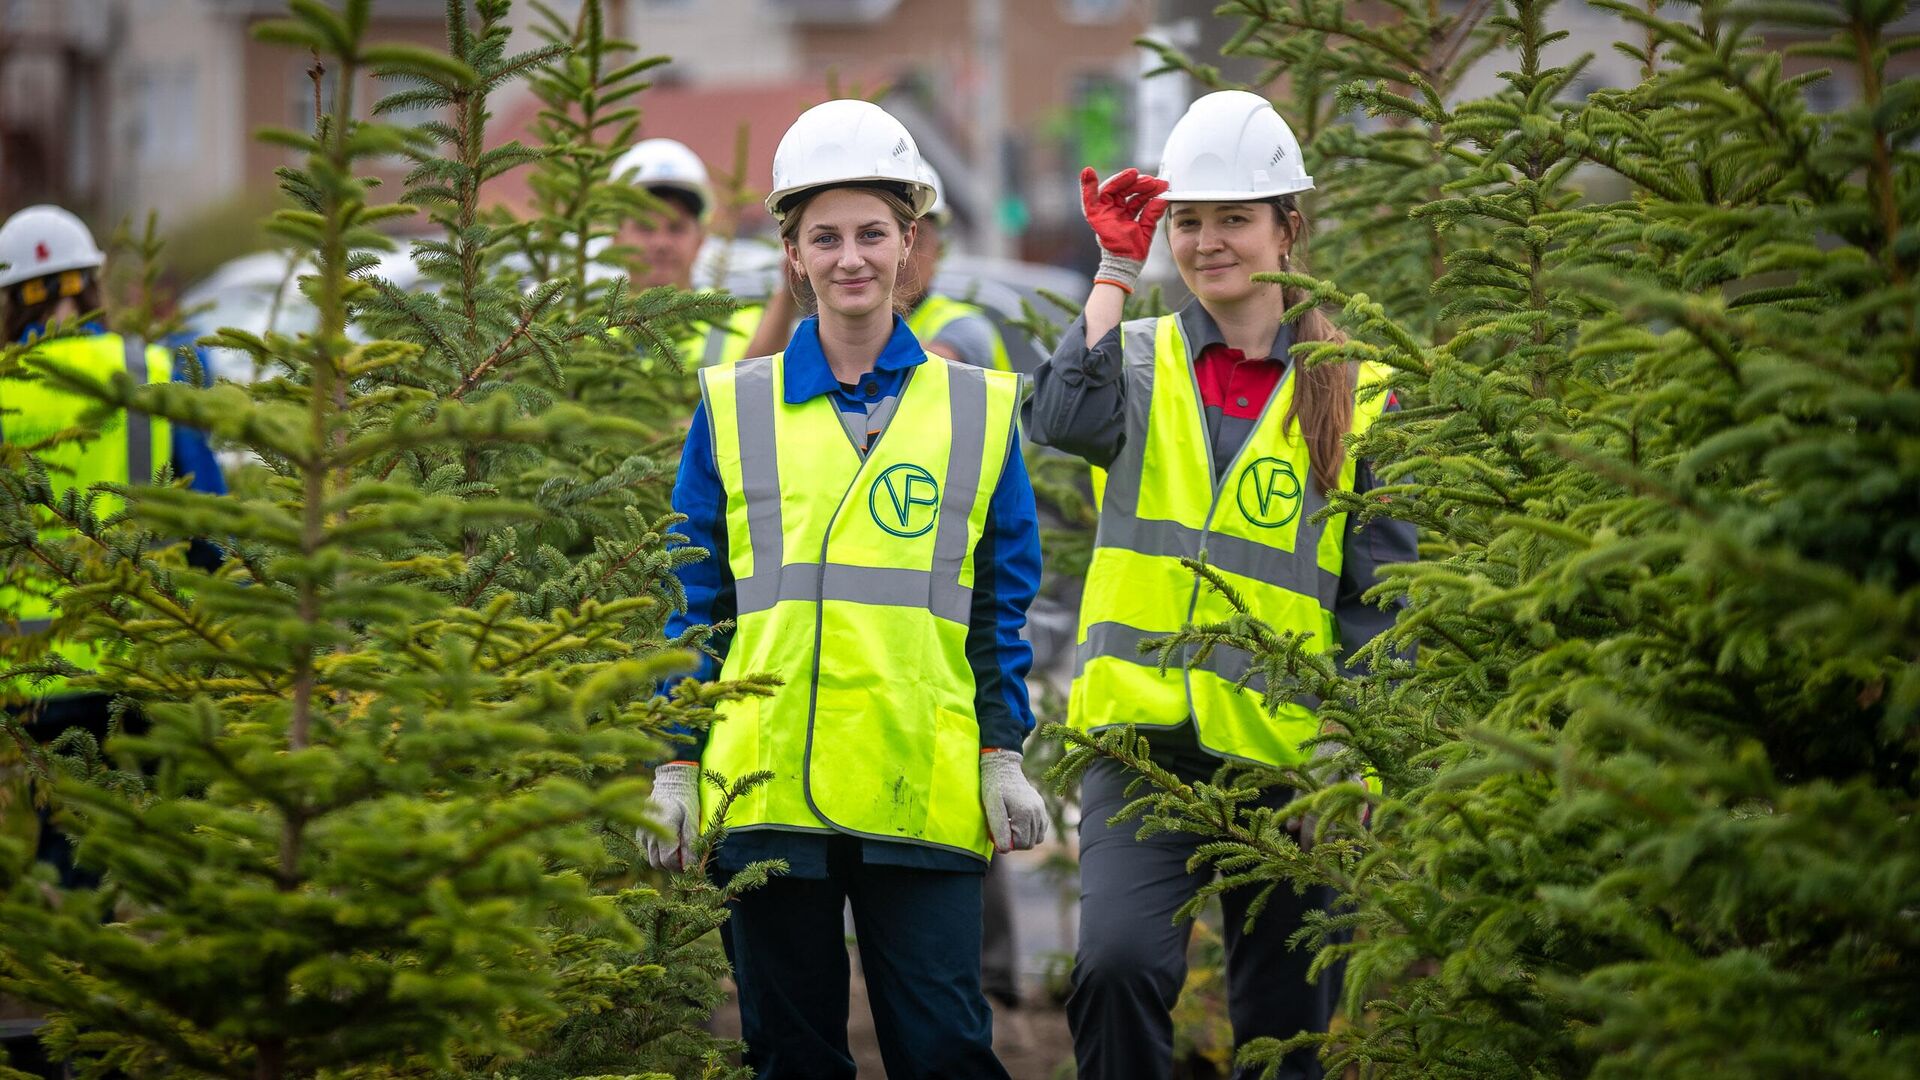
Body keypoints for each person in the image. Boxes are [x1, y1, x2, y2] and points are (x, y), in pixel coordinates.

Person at [639, 99, 1047, 1080]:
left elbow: (1001, 599)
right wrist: (676, 761)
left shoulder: (976, 410)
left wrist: (1002, 749)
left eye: (872, 233)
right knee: (791, 1055)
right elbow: (696, 597)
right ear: (792, 253)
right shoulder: (734, 410)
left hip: (923, 779)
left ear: (911, 242)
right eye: (824, 237)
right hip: (769, 785)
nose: (850, 257)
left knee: (947, 1050)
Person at [1026, 91, 1419, 1080]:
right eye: (1188, 221)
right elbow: (1062, 420)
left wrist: (1351, 755)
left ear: (1288, 227)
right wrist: (1114, 273)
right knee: (1114, 967)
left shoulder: (1359, 395)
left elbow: (1383, 603)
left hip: (1291, 770)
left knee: (1283, 1031)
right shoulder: (1140, 357)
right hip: (1141, 749)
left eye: (1233, 219)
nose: (1208, 243)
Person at [0, 204, 227, 881]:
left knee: (69, 844)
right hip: (151, 655)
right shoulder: (155, 369)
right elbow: (208, 519)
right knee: (181, 837)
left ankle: (75, 964)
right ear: (92, 283)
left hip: (37, 674)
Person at [612, 137, 765, 368]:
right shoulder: (582, 334)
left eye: (676, 228)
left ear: (701, 239)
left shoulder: (751, 325)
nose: (661, 243)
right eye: (645, 227)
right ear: (617, 238)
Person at [901, 162, 1013, 373]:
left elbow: (927, 370)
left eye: (916, 240)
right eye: (876, 235)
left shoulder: (965, 328)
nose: (902, 254)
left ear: (939, 251)